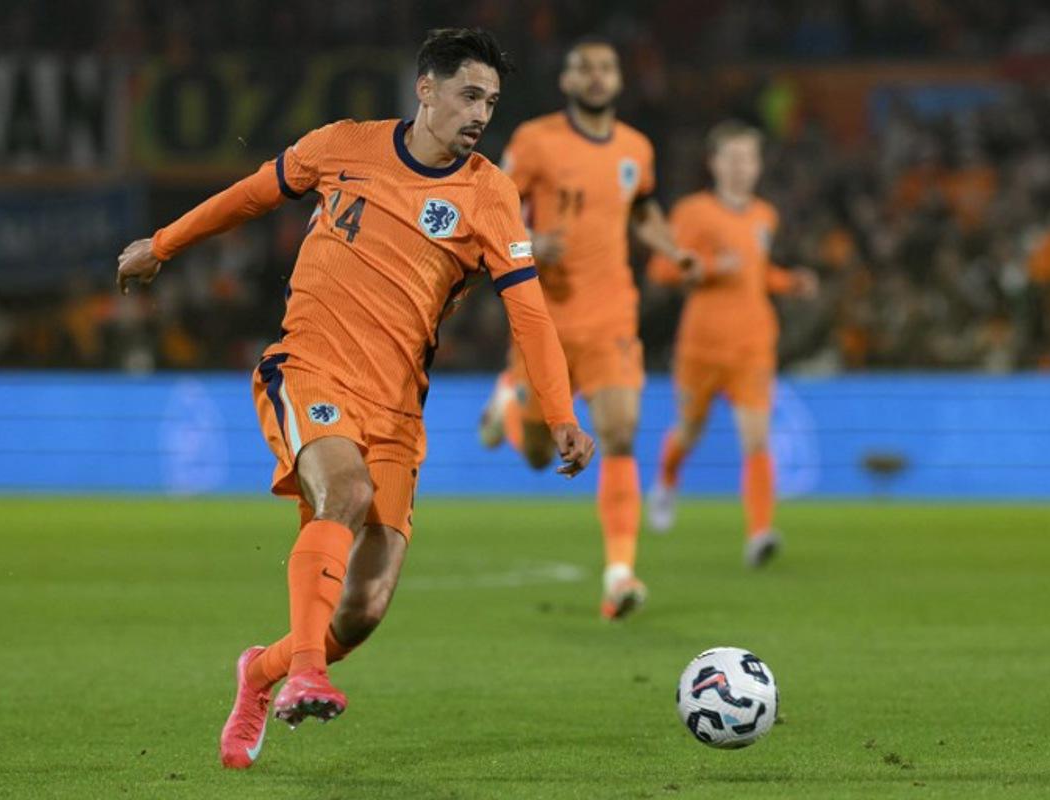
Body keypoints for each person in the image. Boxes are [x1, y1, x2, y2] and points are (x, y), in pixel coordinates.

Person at [115, 28, 596, 769]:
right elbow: (249, 196)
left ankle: (263, 672)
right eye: (469, 95)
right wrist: (164, 243)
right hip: (309, 369)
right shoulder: (343, 145)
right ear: (426, 89)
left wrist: (561, 415)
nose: (480, 115)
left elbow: (529, 314)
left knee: (364, 611)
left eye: (492, 103)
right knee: (343, 488)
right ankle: (307, 673)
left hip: (398, 408)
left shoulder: (491, 196)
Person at [477, 37, 694, 620]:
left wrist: (673, 247)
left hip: (610, 315)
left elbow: (643, 209)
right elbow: (490, 202)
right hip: (542, 314)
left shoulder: (636, 148)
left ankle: (619, 574)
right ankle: (508, 398)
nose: (596, 77)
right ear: (567, 81)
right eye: (584, 68)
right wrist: (528, 241)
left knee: (620, 433)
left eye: (606, 68)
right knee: (540, 456)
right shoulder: (536, 141)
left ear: (618, 80)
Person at [646, 120, 817, 568]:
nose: (742, 167)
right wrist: (707, 266)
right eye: (733, 158)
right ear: (714, 163)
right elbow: (662, 271)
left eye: (750, 158)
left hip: (753, 344)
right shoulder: (693, 212)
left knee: (756, 439)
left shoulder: (765, 215)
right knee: (689, 430)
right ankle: (666, 480)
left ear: (759, 165)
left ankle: (759, 533)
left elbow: (756, 273)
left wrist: (788, 281)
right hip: (701, 345)